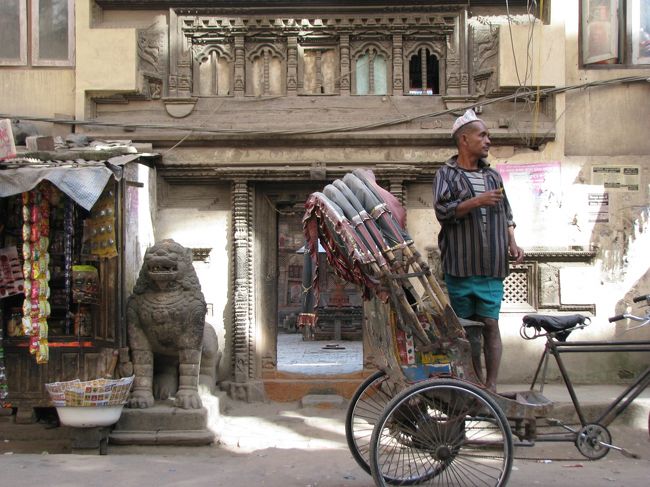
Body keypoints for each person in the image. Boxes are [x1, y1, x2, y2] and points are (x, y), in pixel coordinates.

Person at [432, 109, 524, 392]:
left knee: (490, 325)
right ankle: (474, 387)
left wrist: (512, 241)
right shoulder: (446, 174)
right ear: (464, 139)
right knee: (468, 331)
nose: (488, 141)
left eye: (488, 136)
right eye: (482, 135)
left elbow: (507, 213)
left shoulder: (493, 176)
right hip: (460, 267)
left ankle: (491, 387)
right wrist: (477, 201)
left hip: (492, 267)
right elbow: (443, 211)